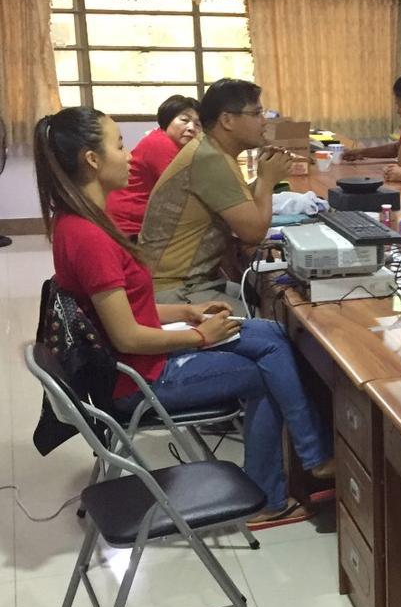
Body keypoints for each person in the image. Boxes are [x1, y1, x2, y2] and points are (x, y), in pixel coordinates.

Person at [34, 106, 334, 526]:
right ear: (92, 160)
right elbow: (127, 337)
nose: (130, 156)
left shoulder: (79, 220)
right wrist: (201, 336)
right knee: (268, 371)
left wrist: (188, 311)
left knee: (271, 335)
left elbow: (125, 308)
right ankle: (279, 488)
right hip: (138, 379)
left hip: (134, 363)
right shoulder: (89, 236)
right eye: (119, 146)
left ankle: (312, 456)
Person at [140, 78, 296, 305]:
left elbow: (237, 203)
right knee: (274, 314)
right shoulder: (211, 159)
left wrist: (266, 175)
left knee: (263, 298)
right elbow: (253, 233)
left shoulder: (210, 149)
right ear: (227, 120)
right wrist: (267, 179)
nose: (264, 122)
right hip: (174, 289)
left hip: (183, 281)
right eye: (256, 114)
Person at [105, 95, 201, 236]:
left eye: (198, 124)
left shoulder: (178, 147)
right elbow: (187, 191)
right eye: (184, 120)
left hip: (139, 223)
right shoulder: (160, 143)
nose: (191, 128)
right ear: (167, 120)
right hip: (130, 227)